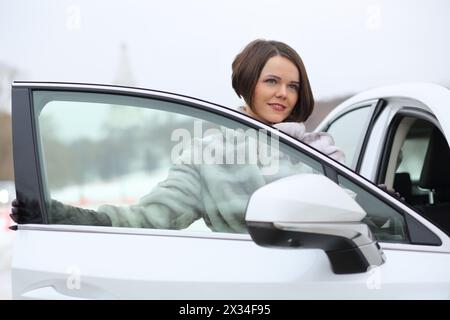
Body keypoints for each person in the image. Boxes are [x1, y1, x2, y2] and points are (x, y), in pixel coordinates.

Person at [10, 39, 346, 233]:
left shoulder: (322, 151)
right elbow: (150, 217)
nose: (283, 94)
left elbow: (360, 218)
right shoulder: (207, 156)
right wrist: (64, 215)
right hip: (244, 288)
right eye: (271, 81)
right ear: (247, 84)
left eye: (293, 86)